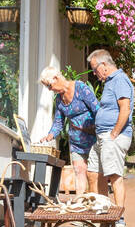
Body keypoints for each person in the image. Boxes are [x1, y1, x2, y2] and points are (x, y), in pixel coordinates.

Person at [86, 48, 133, 227]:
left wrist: (114, 134)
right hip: (103, 136)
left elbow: (125, 109)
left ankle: (119, 220)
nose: (95, 74)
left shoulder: (119, 80)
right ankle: (105, 215)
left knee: (114, 176)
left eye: (95, 69)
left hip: (112, 136)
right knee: (94, 173)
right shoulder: (110, 82)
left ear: (104, 65)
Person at [37, 66, 98, 197]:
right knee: (79, 171)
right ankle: (80, 203)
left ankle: (95, 205)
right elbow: (58, 122)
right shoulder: (59, 99)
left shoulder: (80, 88)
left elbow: (97, 109)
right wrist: (50, 135)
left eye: (49, 85)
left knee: (93, 174)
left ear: (56, 78)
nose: (49, 89)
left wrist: (99, 130)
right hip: (76, 143)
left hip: (93, 139)